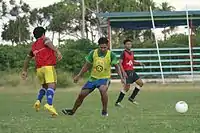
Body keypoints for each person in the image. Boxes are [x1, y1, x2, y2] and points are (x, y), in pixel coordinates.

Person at [62, 37, 124, 116]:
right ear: (98, 46)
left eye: (105, 47)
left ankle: (104, 111)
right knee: (81, 94)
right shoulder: (93, 53)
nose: (103, 49)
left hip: (104, 78)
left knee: (102, 90)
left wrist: (121, 77)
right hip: (93, 78)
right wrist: (79, 76)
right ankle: (72, 111)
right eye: (101, 47)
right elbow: (86, 66)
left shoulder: (111, 54)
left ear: (107, 46)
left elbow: (117, 66)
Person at [21, 27, 62, 116]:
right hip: (48, 67)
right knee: (52, 85)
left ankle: (38, 101)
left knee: (44, 86)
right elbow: (48, 42)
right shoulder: (45, 39)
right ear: (43, 33)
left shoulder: (33, 46)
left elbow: (27, 58)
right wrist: (57, 51)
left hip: (39, 69)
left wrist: (24, 70)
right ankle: (49, 104)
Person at [115, 39, 144, 107]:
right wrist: (123, 72)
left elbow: (132, 61)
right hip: (126, 71)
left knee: (140, 83)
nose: (129, 45)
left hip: (132, 71)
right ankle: (118, 102)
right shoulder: (123, 53)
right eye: (127, 44)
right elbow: (120, 63)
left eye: (130, 44)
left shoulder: (132, 52)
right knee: (127, 87)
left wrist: (139, 63)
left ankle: (131, 98)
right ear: (125, 45)